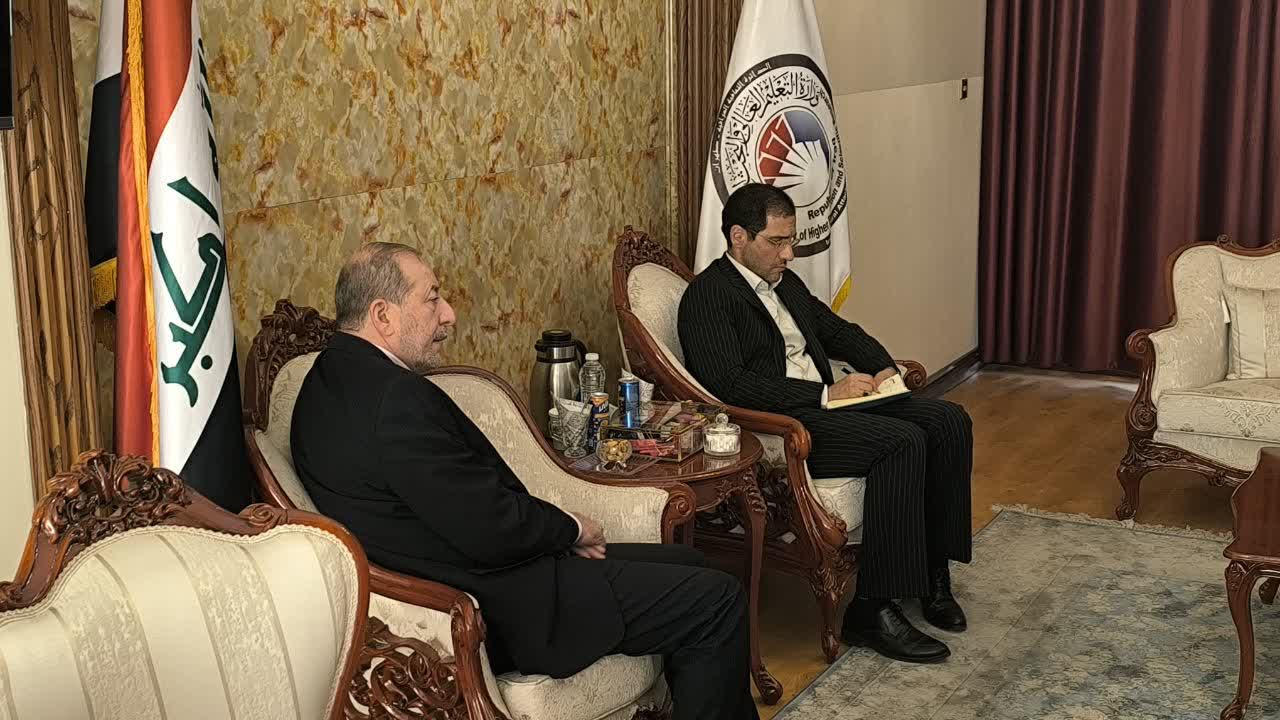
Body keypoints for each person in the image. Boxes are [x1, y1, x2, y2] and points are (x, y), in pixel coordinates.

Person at [291, 242, 758, 720]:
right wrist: (572, 529)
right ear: (382, 315)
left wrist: (558, 532)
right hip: (500, 604)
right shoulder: (394, 400)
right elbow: (489, 527)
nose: (448, 314)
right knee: (717, 600)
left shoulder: (325, 382)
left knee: (693, 563)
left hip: (475, 573)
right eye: (432, 298)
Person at [678, 183, 973, 664]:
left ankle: (932, 575)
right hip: (788, 422)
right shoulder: (708, 297)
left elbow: (837, 331)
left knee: (949, 421)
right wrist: (824, 394)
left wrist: (884, 369)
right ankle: (871, 610)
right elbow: (729, 385)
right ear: (738, 237)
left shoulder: (785, 283)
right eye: (777, 242)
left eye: (790, 240)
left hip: (829, 407)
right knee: (901, 442)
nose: (788, 253)